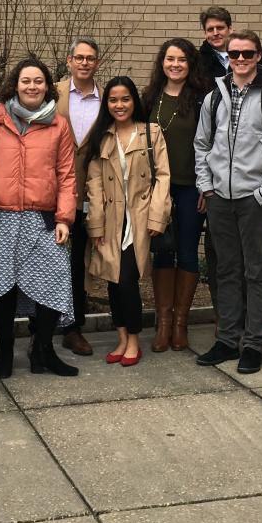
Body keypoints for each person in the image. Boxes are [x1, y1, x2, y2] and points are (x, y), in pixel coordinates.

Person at [0, 57, 78, 379]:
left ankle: (42, 349)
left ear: (47, 87)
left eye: (38, 81)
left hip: (42, 218)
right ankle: (4, 348)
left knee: (53, 282)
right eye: (26, 81)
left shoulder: (59, 125)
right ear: (16, 84)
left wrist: (64, 218)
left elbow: (67, 175)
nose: (32, 86)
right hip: (0, 216)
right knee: (3, 289)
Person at [193, 29, 262, 375]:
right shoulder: (215, 97)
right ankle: (226, 339)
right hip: (220, 197)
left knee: (256, 272)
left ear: (258, 56)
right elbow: (202, 145)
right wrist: (207, 186)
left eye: (247, 54)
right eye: (234, 54)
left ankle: (252, 344)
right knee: (225, 270)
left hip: (255, 199)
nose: (240, 60)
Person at [85, 77, 171, 365]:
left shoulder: (151, 133)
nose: (119, 105)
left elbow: (163, 176)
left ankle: (134, 339)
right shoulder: (101, 136)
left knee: (126, 281)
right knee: (112, 280)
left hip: (140, 216)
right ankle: (121, 337)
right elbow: (94, 183)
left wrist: (158, 215)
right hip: (110, 219)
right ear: (106, 104)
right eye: (113, 100)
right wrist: (95, 224)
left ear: (134, 101)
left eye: (125, 99)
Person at [141, 38, 211, 351]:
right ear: (162, 62)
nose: (175, 65)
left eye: (182, 60)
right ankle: (163, 322)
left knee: (186, 251)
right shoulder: (150, 97)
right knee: (162, 251)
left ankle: (181, 323)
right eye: (170, 59)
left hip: (191, 187)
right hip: (156, 189)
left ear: (190, 63)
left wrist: (207, 186)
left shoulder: (201, 98)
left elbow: (213, 144)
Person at [54, 36, 102, 356]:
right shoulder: (52, 91)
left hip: (91, 191)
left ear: (97, 63)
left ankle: (74, 327)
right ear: (69, 60)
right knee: (51, 258)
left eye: (90, 58)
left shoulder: (107, 98)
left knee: (79, 261)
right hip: (54, 190)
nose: (84, 63)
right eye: (79, 58)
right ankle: (42, 326)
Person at [197, 6, 262, 87]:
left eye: (220, 28)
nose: (215, 33)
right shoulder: (198, 60)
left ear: (230, 29)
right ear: (205, 33)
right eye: (210, 29)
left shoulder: (252, 52)